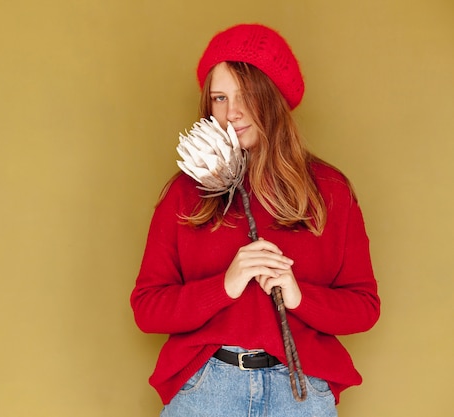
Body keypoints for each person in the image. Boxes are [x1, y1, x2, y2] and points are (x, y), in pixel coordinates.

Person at [130, 23, 380, 417]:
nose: (232, 112)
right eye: (219, 98)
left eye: (246, 95)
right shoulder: (186, 192)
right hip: (207, 388)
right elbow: (147, 308)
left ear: (274, 97)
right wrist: (225, 285)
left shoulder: (330, 192)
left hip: (300, 389)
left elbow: (364, 307)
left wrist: (299, 296)